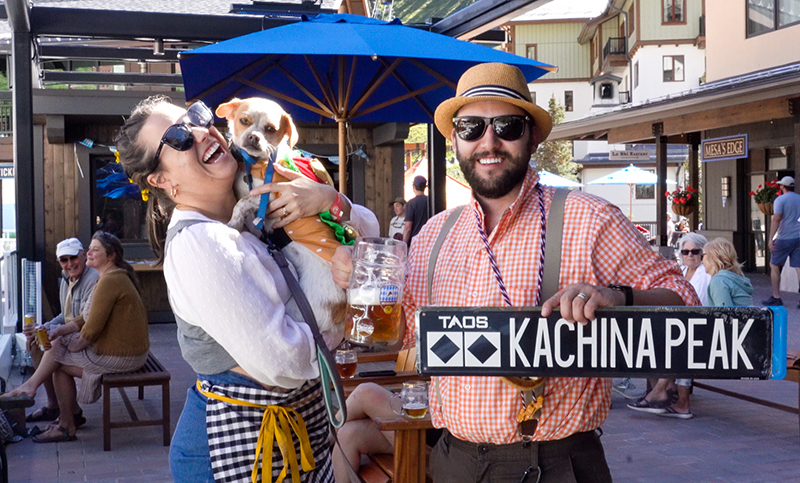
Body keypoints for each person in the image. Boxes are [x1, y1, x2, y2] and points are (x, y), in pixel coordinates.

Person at [332, 63, 699, 483]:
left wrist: (616, 296)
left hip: (556, 463)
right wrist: (351, 284)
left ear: (532, 136)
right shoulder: (434, 233)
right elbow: (405, 336)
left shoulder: (590, 219)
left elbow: (684, 299)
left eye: (506, 125)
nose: (489, 142)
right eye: (471, 127)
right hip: (453, 459)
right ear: (454, 140)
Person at [114, 96, 379, 483]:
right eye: (178, 137)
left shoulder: (253, 204)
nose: (202, 133)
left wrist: (331, 200)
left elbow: (371, 233)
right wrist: (344, 319)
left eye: (198, 117)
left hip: (292, 433)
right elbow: (285, 362)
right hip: (235, 445)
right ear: (161, 180)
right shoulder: (200, 243)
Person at [3, 231, 150, 443]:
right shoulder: (109, 277)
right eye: (89, 248)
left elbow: (91, 329)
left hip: (125, 356)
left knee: (59, 357)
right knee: (57, 349)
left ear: (111, 256)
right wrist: (58, 332)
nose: (89, 252)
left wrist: (75, 345)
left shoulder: (109, 280)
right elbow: (85, 318)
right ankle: (63, 419)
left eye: (94, 250)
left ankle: (60, 417)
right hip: (126, 351)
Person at [628, 232, 711, 419]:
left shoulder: (706, 274)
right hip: (680, 326)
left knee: (675, 344)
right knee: (644, 341)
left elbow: (702, 307)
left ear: (702, 253)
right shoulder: (678, 271)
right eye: (685, 251)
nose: (689, 255)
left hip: (699, 328)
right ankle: (664, 391)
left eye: (694, 251)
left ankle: (664, 393)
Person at [22, 237, 99, 424]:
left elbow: (86, 321)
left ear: (83, 255)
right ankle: (54, 405)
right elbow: (65, 316)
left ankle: (71, 414)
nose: (70, 264)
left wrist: (51, 330)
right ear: (59, 262)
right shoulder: (66, 280)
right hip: (73, 335)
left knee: (55, 354)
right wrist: (43, 327)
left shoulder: (94, 279)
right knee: (35, 344)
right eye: (64, 260)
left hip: (89, 339)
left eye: (73, 258)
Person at [763, 176, 800, 306]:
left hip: (784, 237)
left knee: (774, 265)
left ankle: (776, 296)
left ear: (783, 187)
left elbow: (777, 219)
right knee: (798, 266)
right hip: (798, 237)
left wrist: (771, 238)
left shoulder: (780, 200)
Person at [704, 237, 754, 306]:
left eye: (703, 255)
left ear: (713, 257)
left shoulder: (719, 281)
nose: (701, 261)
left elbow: (724, 314)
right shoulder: (731, 278)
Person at [402, 175, 429, 245]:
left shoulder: (411, 203)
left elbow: (408, 228)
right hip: (429, 240)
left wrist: (403, 246)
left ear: (413, 186)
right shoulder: (431, 201)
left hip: (415, 242)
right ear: (424, 187)